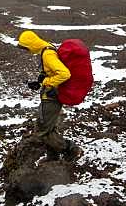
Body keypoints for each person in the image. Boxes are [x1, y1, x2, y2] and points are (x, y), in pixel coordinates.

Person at [17, 30, 82, 161]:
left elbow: (64, 74)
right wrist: (40, 81)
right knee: (49, 128)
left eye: (26, 48)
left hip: (52, 97)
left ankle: (71, 149)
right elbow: (52, 72)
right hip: (51, 94)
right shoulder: (48, 47)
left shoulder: (47, 54)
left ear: (31, 44)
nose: (27, 51)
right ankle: (53, 157)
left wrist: (47, 82)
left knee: (42, 131)